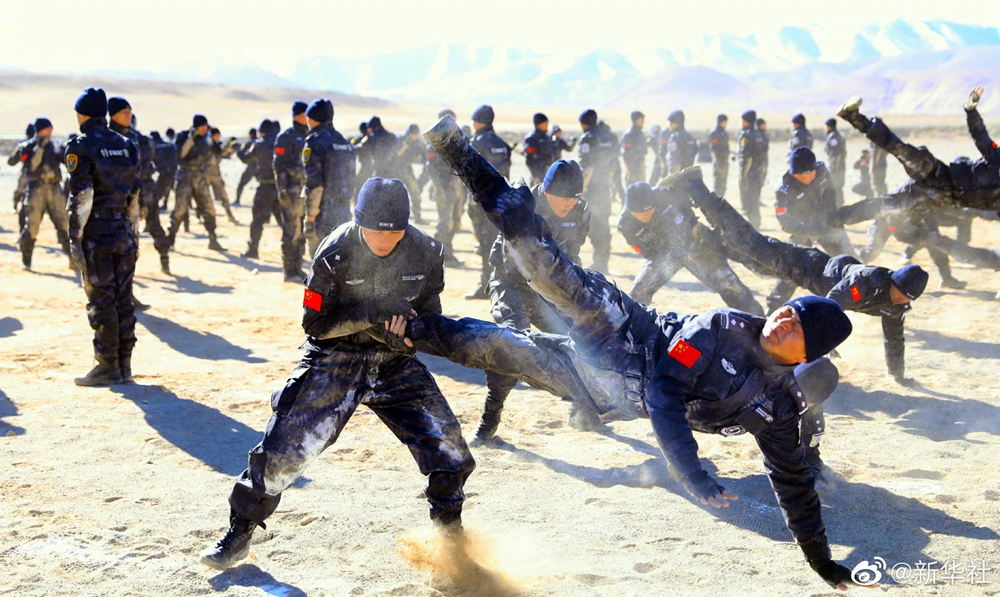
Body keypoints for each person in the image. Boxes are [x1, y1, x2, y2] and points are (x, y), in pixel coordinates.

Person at [420, 116, 862, 590]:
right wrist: (691, 473)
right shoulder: (723, 326)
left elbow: (793, 484)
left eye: (794, 324)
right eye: (786, 310)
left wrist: (823, 563)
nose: (780, 318)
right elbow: (665, 392)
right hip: (622, 330)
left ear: (805, 354)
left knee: (495, 349)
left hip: (603, 391)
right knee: (541, 263)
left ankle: (404, 329)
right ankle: (459, 153)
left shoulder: (777, 406)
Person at [199, 178, 475, 571]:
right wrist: (371, 311)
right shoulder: (336, 252)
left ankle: (450, 543)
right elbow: (314, 323)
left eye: (395, 232)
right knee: (283, 447)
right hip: (336, 358)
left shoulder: (426, 251)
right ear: (359, 222)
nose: (385, 240)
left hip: (394, 361)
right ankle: (239, 532)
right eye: (376, 231)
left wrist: (413, 338)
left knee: (448, 446)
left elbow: (430, 314)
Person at [662, 164, 927, 387]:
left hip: (798, 275)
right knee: (744, 241)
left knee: (743, 250)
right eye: (900, 294)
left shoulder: (896, 303)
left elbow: (894, 336)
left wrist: (897, 375)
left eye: (905, 298)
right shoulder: (869, 280)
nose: (900, 300)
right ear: (894, 282)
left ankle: (701, 224)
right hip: (800, 264)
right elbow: (834, 301)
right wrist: (821, 337)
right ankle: (696, 186)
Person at [475, 159, 591, 440]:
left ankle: (582, 410)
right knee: (512, 345)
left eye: (573, 199)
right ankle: (489, 421)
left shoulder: (581, 212)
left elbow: (572, 253)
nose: (567, 205)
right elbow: (502, 256)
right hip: (511, 283)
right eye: (561, 198)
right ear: (546, 191)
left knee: (579, 341)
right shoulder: (521, 205)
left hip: (547, 289)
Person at [65, 88, 141, 387]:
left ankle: (107, 365)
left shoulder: (81, 146)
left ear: (82, 114)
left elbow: (82, 195)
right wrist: (133, 233)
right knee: (123, 300)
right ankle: (124, 365)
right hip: (123, 232)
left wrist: (74, 238)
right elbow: (135, 194)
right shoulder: (126, 144)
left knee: (101, 300)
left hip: (96, 234)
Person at [836, 88, 1000, 219]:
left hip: (939, 197)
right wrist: (970, 111)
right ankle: (854, 117)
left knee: (885, 207)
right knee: (899, 148)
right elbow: (980, 135)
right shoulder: (997, 157)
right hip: (940, 174)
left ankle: (833, 219)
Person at [618, 181, 763, 315]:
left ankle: (757, 319)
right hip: (665, 256)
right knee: (640, 290)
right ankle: (629, 326)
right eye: (640, 213)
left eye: (649, 210)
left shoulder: (667, 195)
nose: (645, 215)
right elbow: (648, 252)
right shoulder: (626, 225)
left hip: (696, 244)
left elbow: (691, 207)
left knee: (730, 284)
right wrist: (673, 253)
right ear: (630, 210)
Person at [766, 147, 858, 313]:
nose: (814, 175)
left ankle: (865, 293)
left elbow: (830, 191)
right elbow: (785, 223)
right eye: (809, 174)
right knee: (792, 267)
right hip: (803, 229)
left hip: (825, 222)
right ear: (797, 174)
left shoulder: (820, 170)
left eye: (814, 171)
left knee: (850, 260)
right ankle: (772, 308)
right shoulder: (784, 191)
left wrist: (831, 214)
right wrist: (811, 229)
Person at [107, 98, 171, 276]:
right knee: (125, 238)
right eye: (124, 113)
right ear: (113, 115)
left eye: (130, 112)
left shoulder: (139, 140)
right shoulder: (107, 139)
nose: (129, 116)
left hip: (145, 188)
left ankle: (164, 259)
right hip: (121, 194)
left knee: (153, 226)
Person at [466, 104, 511, 299]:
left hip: (482, 201)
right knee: (497, 242)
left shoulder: (478, 143)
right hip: (500, 200)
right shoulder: (503, 144)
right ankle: (498, 282)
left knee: (485, 244)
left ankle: (486, 285)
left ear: (478, 122)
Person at [302, 98, 357, 257]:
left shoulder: (315, 142)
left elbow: (315, 184)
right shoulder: (345, 143)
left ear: (313, 118)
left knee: (320, 261)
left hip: (323, 212)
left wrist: (310, 217)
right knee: (341, 260)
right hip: (344, 210)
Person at [17, 117, 72, 270]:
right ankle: (26, 260)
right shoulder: (28, 146)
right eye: (47, 128)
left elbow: (67, 161)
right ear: (40, 130)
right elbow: (31, 166)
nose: (50, 132)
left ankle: (73, 259)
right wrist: (40, 147)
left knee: (64, 223)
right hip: (36, 189)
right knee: (32, 226)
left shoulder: (54, 146)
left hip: (54, 189)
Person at [167, 114, 224, 251]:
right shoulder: (183, 136)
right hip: (185, 176)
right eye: (202, 127)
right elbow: (180, 154)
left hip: (200, 175)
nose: (204, 130)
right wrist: (191, 138)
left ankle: (213, 239)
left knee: (208, 208)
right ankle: (170, 239)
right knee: (180, 210)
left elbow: (217, 153)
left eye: (205, 127)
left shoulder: (206, 139)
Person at [273, 101, 310, 282]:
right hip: (291, 191)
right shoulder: (286, 137)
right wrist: (283, 191)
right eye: (305, 114)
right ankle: (289, 270)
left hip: (306, 191)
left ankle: (298, 266)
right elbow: (278, 166)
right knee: (291, 230)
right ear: (296, 116)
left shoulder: (311, 135)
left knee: (302, 230)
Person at [577, 109, 617, 274]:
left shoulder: (588, 138)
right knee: (604, 224)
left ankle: (599, 264)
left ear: (583, 123)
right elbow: (612, 165)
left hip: (592, 189)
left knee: (595, 224)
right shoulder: (607, 137)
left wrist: (582, 190)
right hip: (604, 187)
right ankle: (602, 261)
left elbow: (587, 167)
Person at [425, 109, 464, 266]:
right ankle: (441, 255)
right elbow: (431, 168)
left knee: (455, 221)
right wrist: (438, 189)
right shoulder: (434, 141)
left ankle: (449, 251)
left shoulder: (456, 140)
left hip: (456, 187)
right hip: (443, 187)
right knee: (445, 222)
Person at [240, 120, 281, 260]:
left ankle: (253, 249)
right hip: (280, 188)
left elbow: (246, 159)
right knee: (285, 222)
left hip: (265, 188)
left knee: (257, 220)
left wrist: (238, 150)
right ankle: (293, 254)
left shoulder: (260, 144)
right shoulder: (280, 142)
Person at [738, 110, 765, 228]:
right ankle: (756, 224)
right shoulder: (759, 134)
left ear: (745, 121)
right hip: (757, 172)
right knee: (754, 199)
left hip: (749, 173)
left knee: (749, 200)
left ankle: (753, 225)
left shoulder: (746, 135)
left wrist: (744, 175)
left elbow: (747, 157)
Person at [395, 124, 427, 223]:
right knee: (397, 195)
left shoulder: (418, 143)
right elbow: (396, 155)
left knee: (415, 193)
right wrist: (405, 146)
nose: (414, 136)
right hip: (397, 170)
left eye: (416, 134)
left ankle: (417, 217)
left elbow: (424, 155)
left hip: (408, 170)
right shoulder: (401, 140)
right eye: (412, 134)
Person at [206, 128, 239, 224]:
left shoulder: (216, 147)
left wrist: (230, 145)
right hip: (205, 175)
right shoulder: (206, 146)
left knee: (223, 196)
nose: (218, 138)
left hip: (215, 175)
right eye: (217, 136)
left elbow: (224, 152)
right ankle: (200, 216)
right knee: (203, 197)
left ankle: (230, 215)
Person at [8, 123, 35, 220]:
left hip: (27, 173)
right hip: (38, 175)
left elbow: (11, 161)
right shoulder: (41, 144)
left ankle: (15, 207)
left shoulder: (24, 145)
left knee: (20, 190)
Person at [524, 112, 559, 184]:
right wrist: (535, 175)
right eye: (545, 123)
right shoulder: (531, 139)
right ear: (539, 124)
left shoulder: (547, 137)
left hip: (548, 172)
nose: (547, 125)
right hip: (538, 175)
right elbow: (529, 159)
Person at [150, 130, 177, 213]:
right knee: (171, 189)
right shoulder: (169, 144)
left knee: (157, 192)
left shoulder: (155, 146)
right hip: (175, 171)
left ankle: (154, 209)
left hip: (165, 172)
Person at [663, 110, 697, 175]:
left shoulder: (675, 138)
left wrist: (672, 177)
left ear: (674, 123)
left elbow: (674, 159)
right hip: (688, 174)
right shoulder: (689, 137)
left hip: (678, 175)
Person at [824, 118, 847, 207]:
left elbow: (836, 154)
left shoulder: (833, 137)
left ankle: (838, 207)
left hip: (836, 167)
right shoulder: (837, 135)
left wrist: (833, 170)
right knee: (838, 187)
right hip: (840, 166)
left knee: (835, 187)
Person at [621, 110, 648, 185]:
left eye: (643, 119)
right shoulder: (629, 135)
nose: (643, 121)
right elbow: (626, 153)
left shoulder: (641, 134)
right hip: (632, 168)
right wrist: (628, 168)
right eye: (641, 119)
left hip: (641, 166)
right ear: (635, 120)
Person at [234, 127, 258, 207]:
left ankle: (237, 200)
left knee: (241, 184)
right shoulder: (258, 142)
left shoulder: (249, 143)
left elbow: (243, 157)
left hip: (251, 167)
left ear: (250, 135)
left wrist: (238, 150)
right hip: (260, 167)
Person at [708, 114, 729, 197]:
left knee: (723, 183)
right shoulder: (714, 133)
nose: (725, 124)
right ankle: (716, 202)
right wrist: (719, 164)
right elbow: (714, 149)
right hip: (718, 161)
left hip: (724, 160)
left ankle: (721, 199)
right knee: (718, 183)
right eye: (724, 122)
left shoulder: (724, 132)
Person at [756, 118, 770, 186]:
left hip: (764, 158)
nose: (765, 126)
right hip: (759, 159)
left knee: (763, 174)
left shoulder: (764, 135)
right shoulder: (757, 135)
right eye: (763, 125)